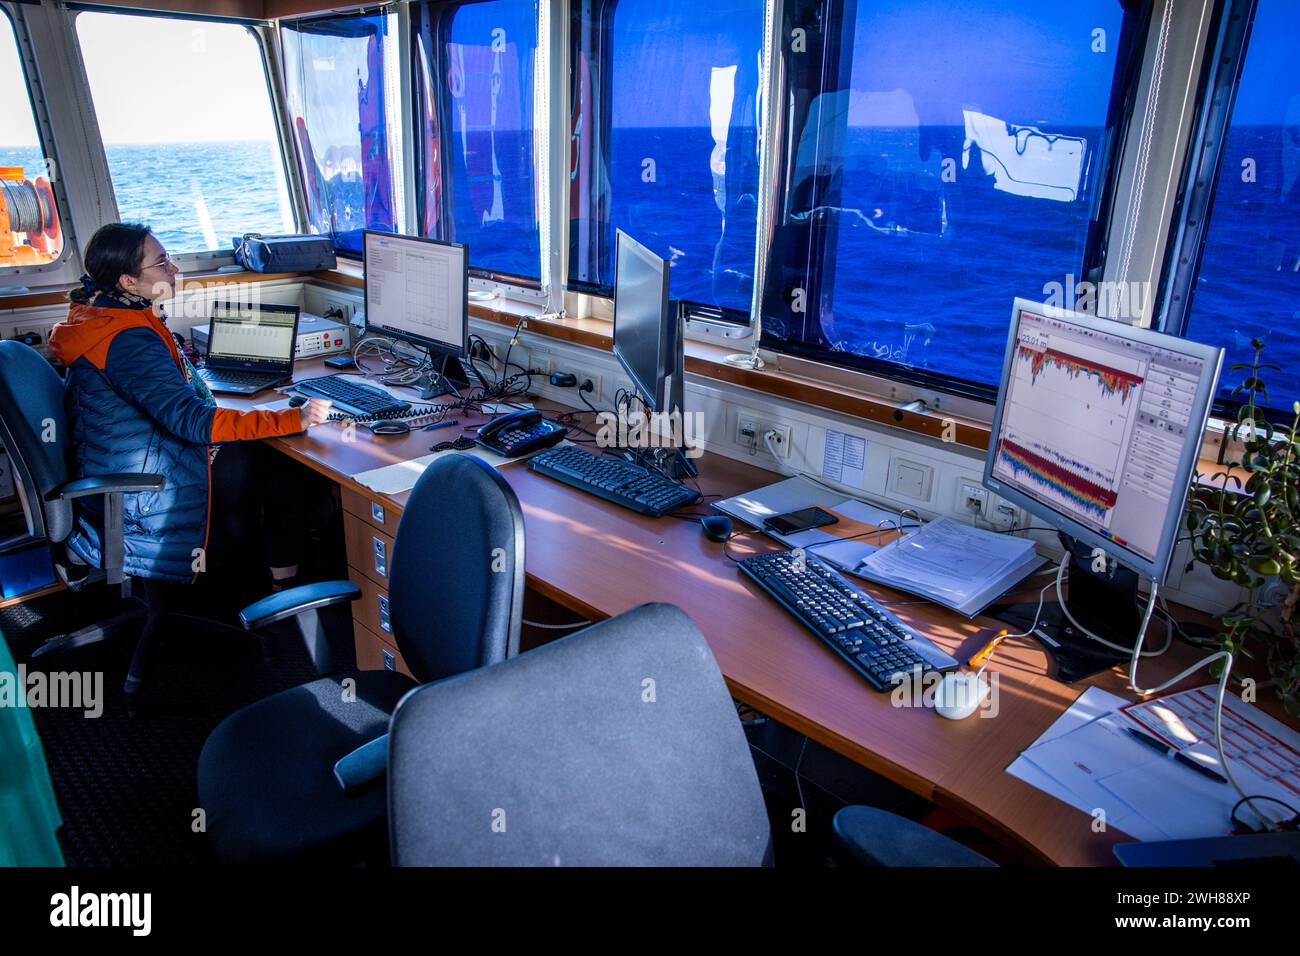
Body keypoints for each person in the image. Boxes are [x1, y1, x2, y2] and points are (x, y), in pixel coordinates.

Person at [48, 222, 332, 605]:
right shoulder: (126, 340)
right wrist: (291, 418)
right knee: (281, 465)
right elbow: (193, 422)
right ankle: (287, 591)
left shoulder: (105, 318)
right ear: (129, 283)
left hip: (129, 463)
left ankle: (279, 568)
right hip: (143, 494)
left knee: (271, 456)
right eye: (162, 263)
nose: (174, 271)